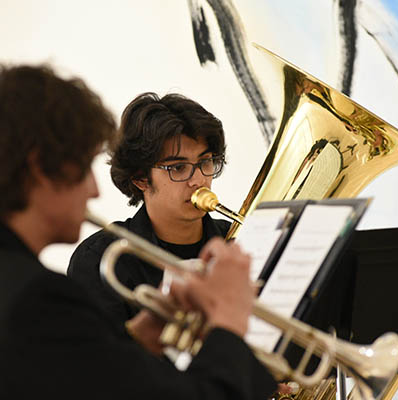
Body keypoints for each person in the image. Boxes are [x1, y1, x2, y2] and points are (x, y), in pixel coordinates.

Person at [0, 64, 278, 399]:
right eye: (84, 167)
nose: (94, 191)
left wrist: (142, 335)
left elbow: (89, 379)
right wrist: (229, 323)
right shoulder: (39, 296)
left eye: (206, 162)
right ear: (40, 169)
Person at [67, 92, 231, 330]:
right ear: (140, 178)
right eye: (178, 167)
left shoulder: (237, 242)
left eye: (205, 162)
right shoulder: (100, 259)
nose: (198, 180)